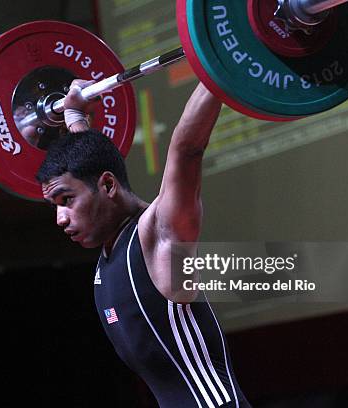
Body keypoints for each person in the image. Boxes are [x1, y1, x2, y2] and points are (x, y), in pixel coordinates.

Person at [36, 79, 251, 408]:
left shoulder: (158, 235)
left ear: (108, 186)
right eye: (55, 206)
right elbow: (88, 165)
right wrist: (74, 114)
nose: (60, 218)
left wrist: (221, 68)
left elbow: (186, 148)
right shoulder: (111, 246)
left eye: (66, 200)